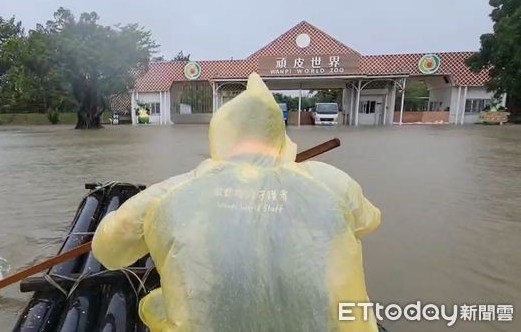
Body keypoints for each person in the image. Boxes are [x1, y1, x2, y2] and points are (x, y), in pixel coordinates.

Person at [92, 72, 381, 332]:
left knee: (155, 304)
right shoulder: (331, 182)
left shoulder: (174, 191)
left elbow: (108, 250)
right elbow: (369, 221)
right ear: (278, 135)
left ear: (222, 134)